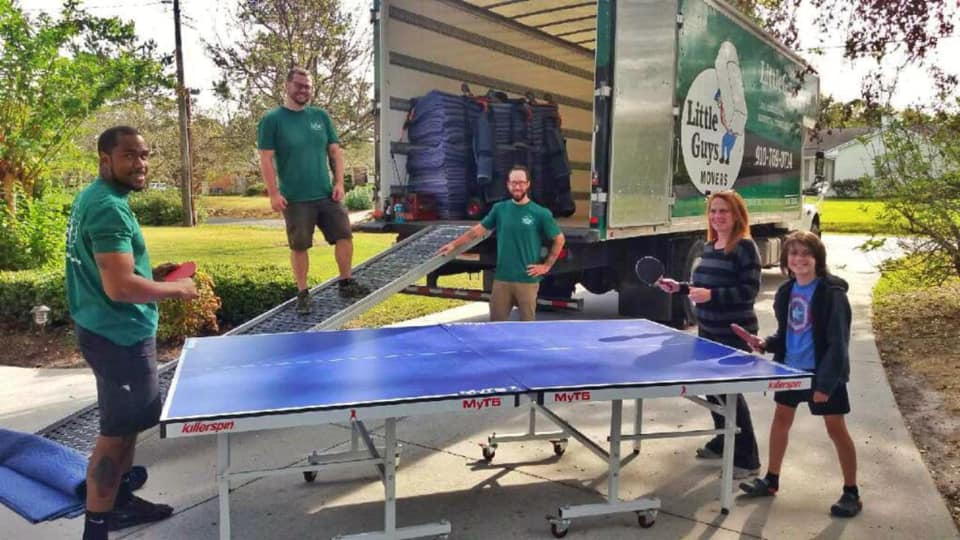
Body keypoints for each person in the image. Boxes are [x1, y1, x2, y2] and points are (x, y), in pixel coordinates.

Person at [66, 126, 199, 539]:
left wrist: (150, 274)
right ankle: (97, 527)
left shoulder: (97, 196)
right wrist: (177, 288)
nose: (140, 164)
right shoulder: (108, 206)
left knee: (127, 429)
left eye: (144, 155)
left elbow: (113, 268)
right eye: (129, 156)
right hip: (118, 338)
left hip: (109, 331)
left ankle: (120, 503)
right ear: (105, 159)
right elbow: (120, 287)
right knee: (114, 435)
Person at [736, 231, 861, 517]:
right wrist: (766, 344)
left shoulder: (832, 294)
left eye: (806, 253)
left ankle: (851, 492)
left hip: (822, 374)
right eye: (793, 253)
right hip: (791, 370)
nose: (800, 259)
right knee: (781, 420)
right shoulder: (786, 292)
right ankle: (771, 480)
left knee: (836, 429)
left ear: (818, 259)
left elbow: (838, 344)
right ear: (786, 260)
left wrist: (826, 384)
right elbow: (788, 333)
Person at [657, 190, 762, 479]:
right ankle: (722, 437)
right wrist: (679, 287)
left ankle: (747, 458)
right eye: (713, 211)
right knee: (710, 388)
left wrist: (711, 295)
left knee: (728, 393)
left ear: (737, 215)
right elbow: (700, 284)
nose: (717, 217)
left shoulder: (745, 247)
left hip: (735, 331)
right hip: (708, 330)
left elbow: (749, 291)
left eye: (723, 212)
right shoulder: (709, 246)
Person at [257, 67, 370, 315]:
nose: (303, 90)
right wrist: (274, 193)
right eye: (299, 85)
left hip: (326, 193)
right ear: (287, 86)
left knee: (345, 236)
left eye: (307, 86)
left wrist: (340, 183)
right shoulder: (272, 119)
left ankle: (346, 282)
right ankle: (303, 293)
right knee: (299, 246)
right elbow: (266, 158)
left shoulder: (320, 116)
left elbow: (335, 152)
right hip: (295, 198)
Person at [438, 165, 565, 321]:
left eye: (521, 182)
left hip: (527, 281)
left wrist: (546, 266)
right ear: (508, 184)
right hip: (502, 280)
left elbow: (559, 239)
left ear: (528, 184)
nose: (517, 186)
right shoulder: (500, 209)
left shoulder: (540, 213)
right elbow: (476, 231)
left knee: (527, 329)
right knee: (496, 327)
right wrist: (453, 245)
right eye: (514, 183)